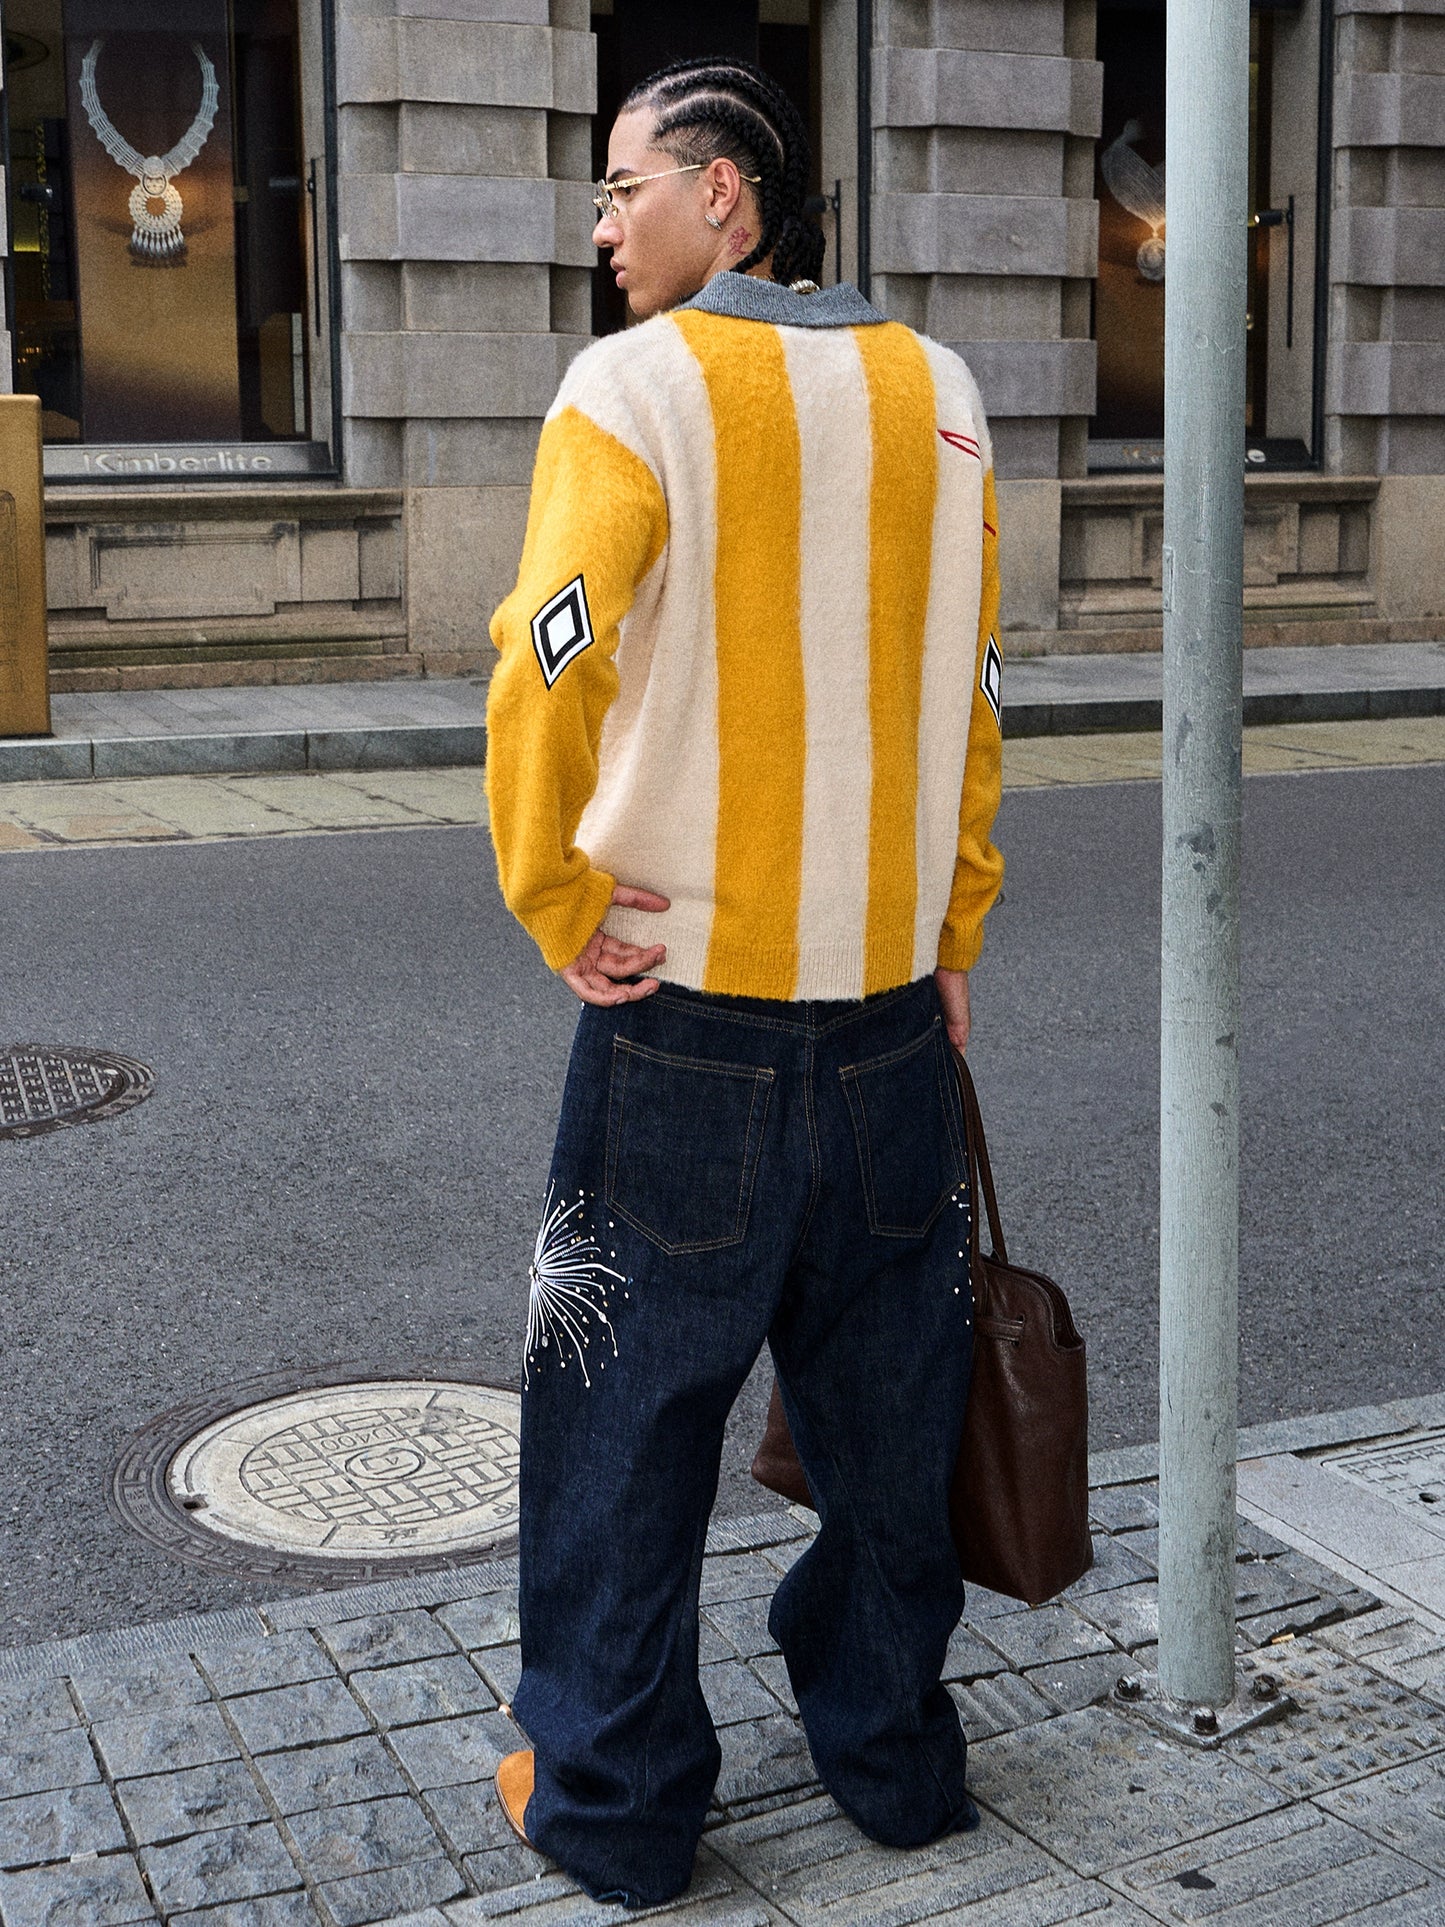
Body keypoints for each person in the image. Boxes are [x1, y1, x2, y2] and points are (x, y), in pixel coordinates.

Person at [484, 53, 1005, 1910]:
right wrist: (948, 934)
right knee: (887, 1422)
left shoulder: (628, 387)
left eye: (622, 186)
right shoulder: (940, 398)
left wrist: (557, 897)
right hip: (882, 1020)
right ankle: (892, 1764)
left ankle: (617, 1808)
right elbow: (975, 697)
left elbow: (543, 659)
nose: (602, 224)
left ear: (725, 193)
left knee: (623, 1424)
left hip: (679, 1017)